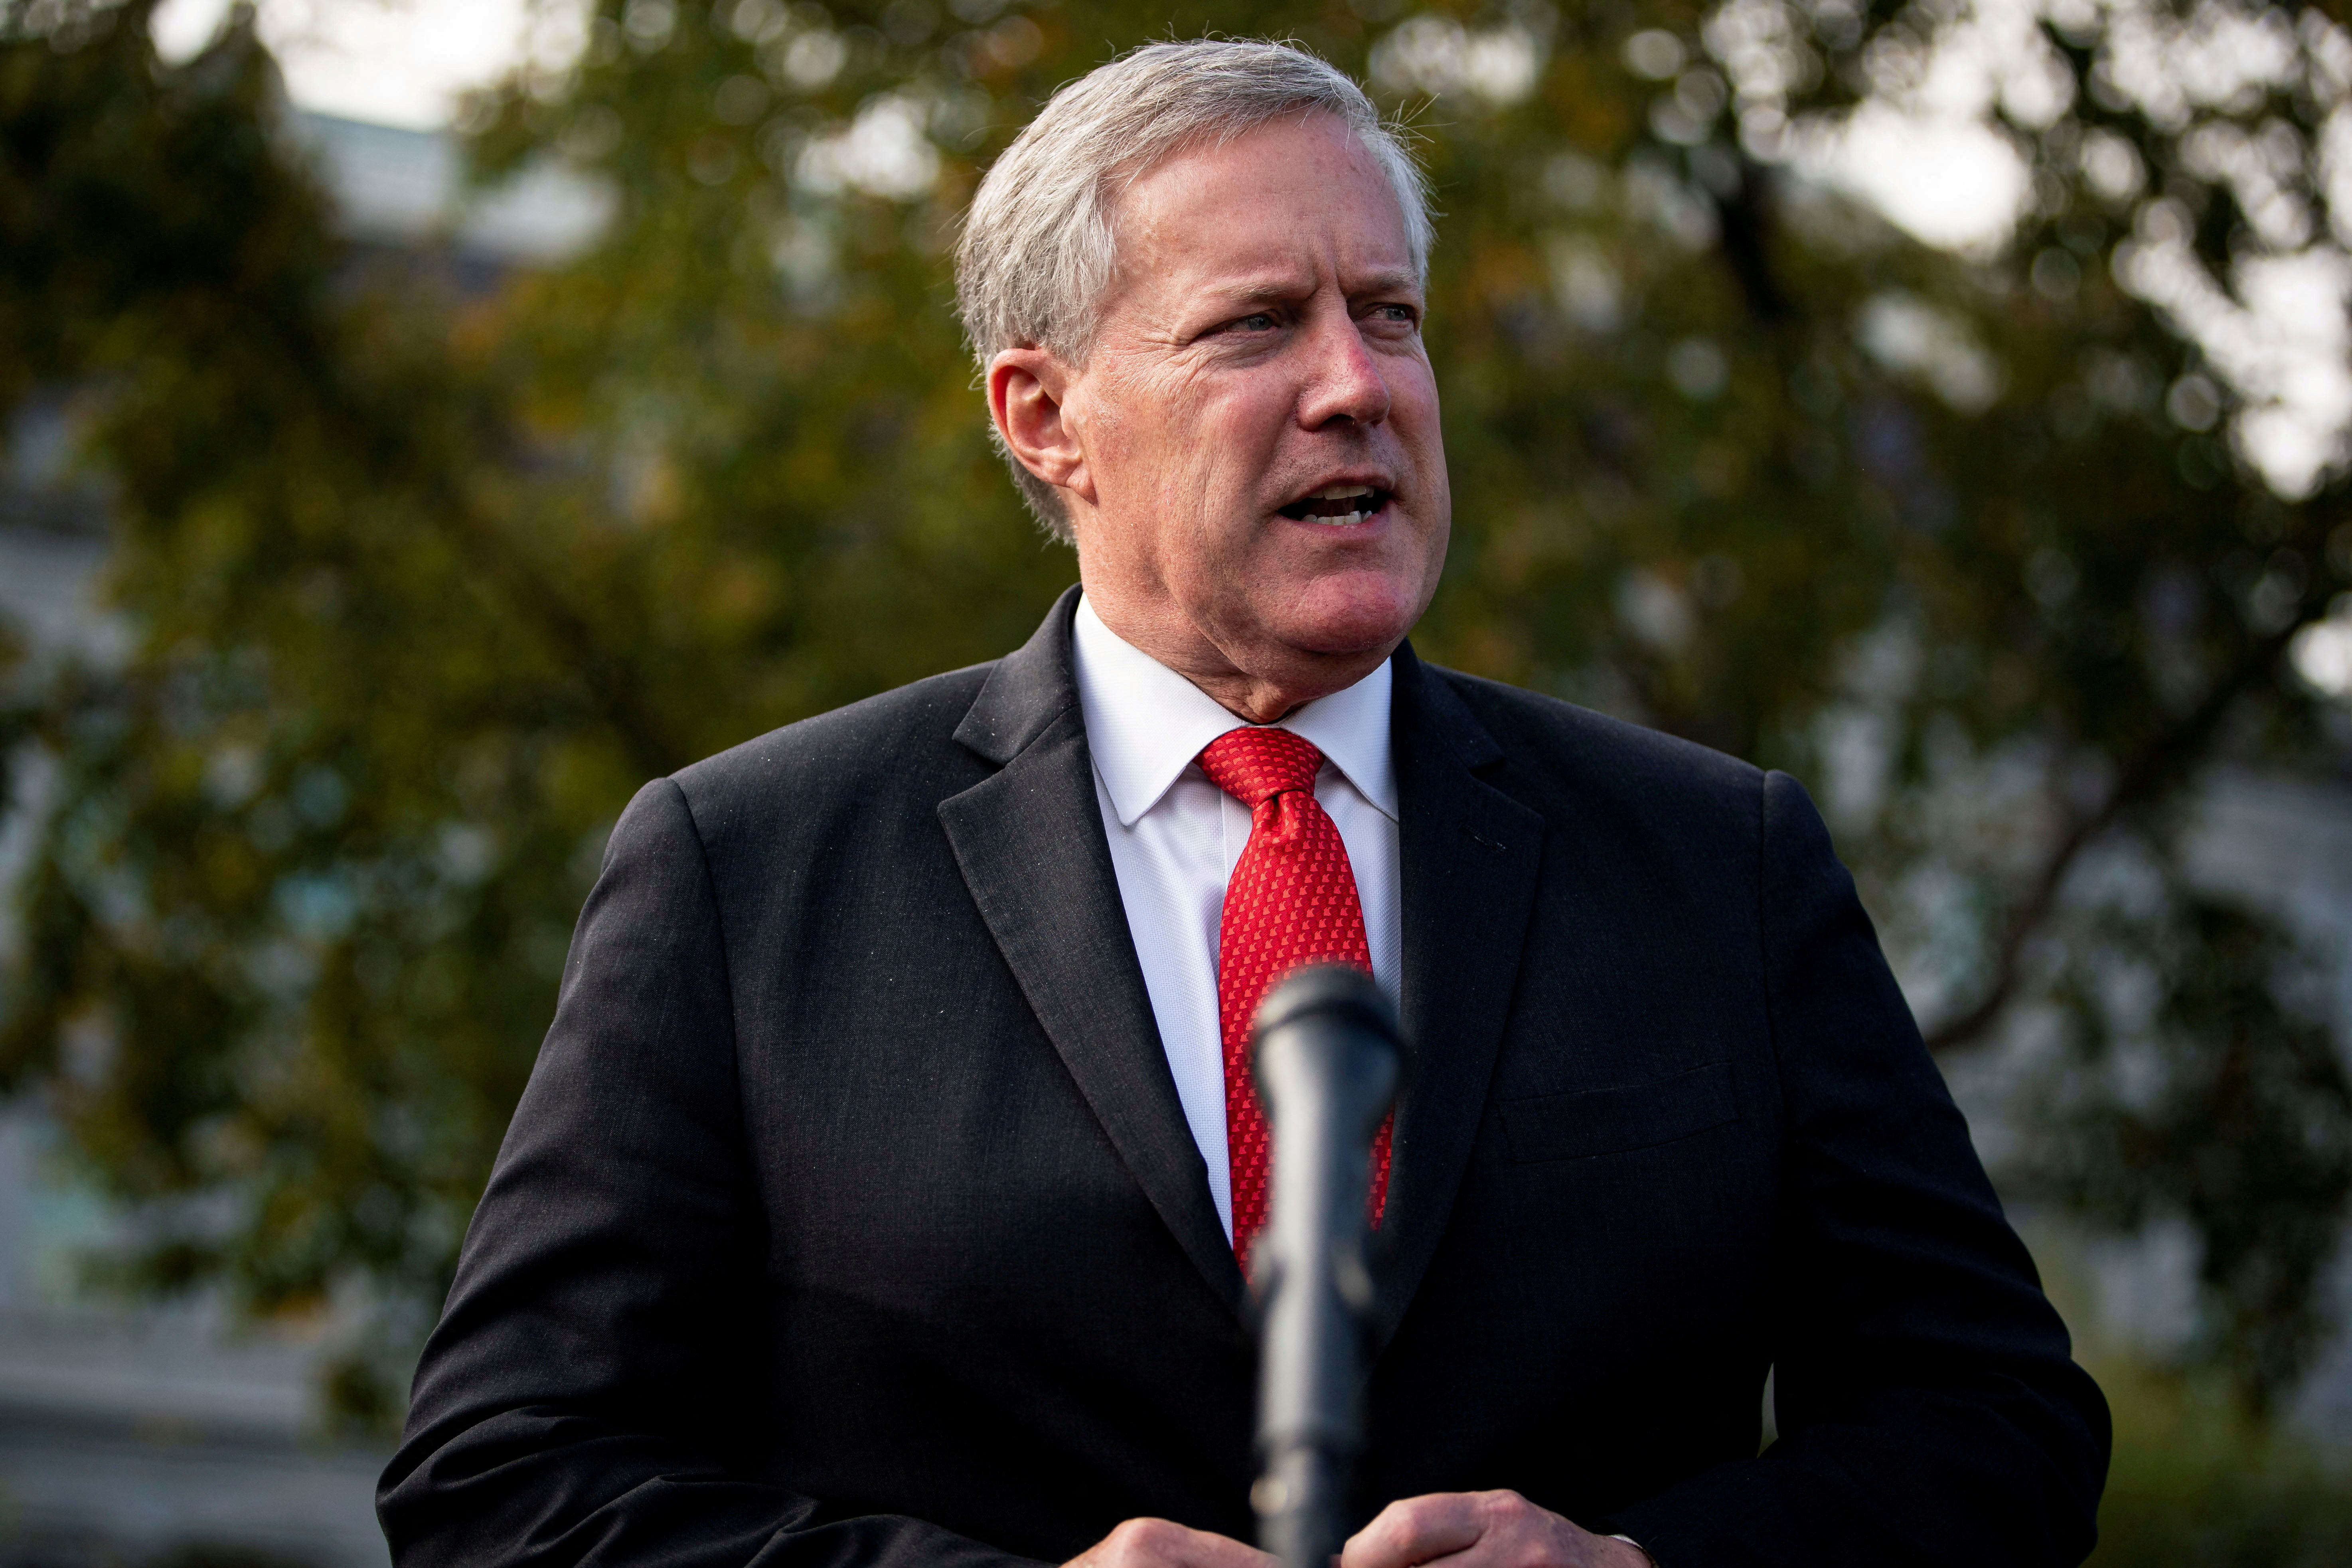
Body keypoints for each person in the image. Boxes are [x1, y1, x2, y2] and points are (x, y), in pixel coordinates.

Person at [378, 39, 2108, 1568]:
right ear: (1047, 415)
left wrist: (1640, 1564)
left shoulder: (1712, 859)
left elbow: (1998, 1427)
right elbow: (502, 1479)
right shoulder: (746, 872)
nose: (1358, 382)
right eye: (1258, 325)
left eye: (1391, 313)